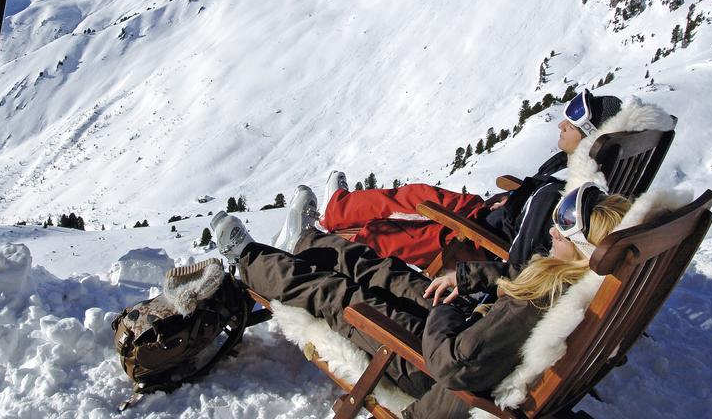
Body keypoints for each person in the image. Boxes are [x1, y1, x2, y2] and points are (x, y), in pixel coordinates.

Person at [211, 183, 632, 418]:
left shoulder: (542, 302)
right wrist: (465, 278)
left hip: (429, 364)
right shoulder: (568, 283)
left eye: (564, 224)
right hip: (465, 329)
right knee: (383, 270)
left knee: (339, 296)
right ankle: (305, 242)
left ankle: (249, 258)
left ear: (581, 248)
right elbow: (513, 285)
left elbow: (456, 367)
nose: (554, 230)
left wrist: (449, 308)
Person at [319, 89, 628, 270]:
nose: (561, 123)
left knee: (385, 232)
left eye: (572, 124)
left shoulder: (566, 194)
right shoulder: (577, 170)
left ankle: (319, 252)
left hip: (480, 240)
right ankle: (338, 210)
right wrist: (518, 198)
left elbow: (520, 259)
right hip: (492, 214)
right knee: (418, 194)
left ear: (589, 137)